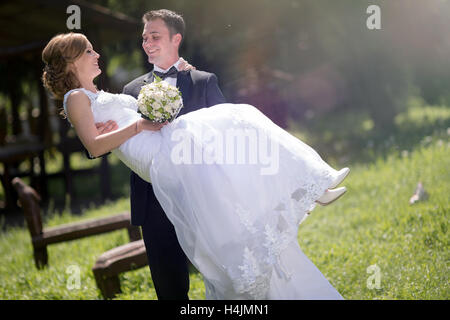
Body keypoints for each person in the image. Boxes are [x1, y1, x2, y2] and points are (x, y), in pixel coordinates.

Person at [42, 30, 350, 299]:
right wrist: (138, 126)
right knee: (237, 119)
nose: (97, 54)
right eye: (89, 51)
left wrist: (151, 115)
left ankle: (307, 185)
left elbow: (118, 130)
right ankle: (306, 187)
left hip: (164, 143)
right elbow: (94, 147)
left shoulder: (97, 94)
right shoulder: (75, 97)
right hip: (160, 160)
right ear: (71, 61)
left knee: (238, 134)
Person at [96, 9, 228, 300]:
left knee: (223, 275)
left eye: (155, 36)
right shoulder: (131, 91)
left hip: (202, 195)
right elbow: (115, 138)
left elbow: (225, 136)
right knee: (169, 288)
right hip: (153, 199)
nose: (147, 43)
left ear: (176, 38)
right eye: (144, 38)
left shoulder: (203, 82)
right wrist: (105, 130)